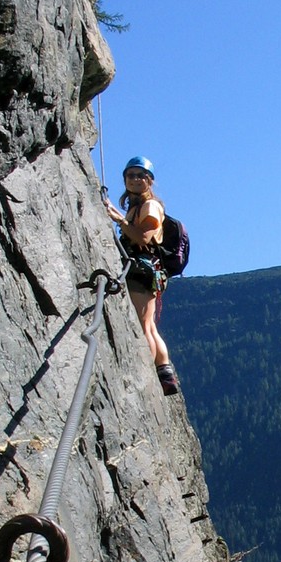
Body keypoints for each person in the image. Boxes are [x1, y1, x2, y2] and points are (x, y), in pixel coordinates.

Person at [103, 157, 180, 395]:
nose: (135, 180)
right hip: (145, 269)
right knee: (150, 327)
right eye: (130, 176)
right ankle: (164, 373)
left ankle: (146, 370)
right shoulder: (135, 207)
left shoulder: (150, 207)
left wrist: (119, 220)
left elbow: (143, 238)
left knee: (143, 326)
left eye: (140, 176)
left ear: (150, 181)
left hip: (143, 269)